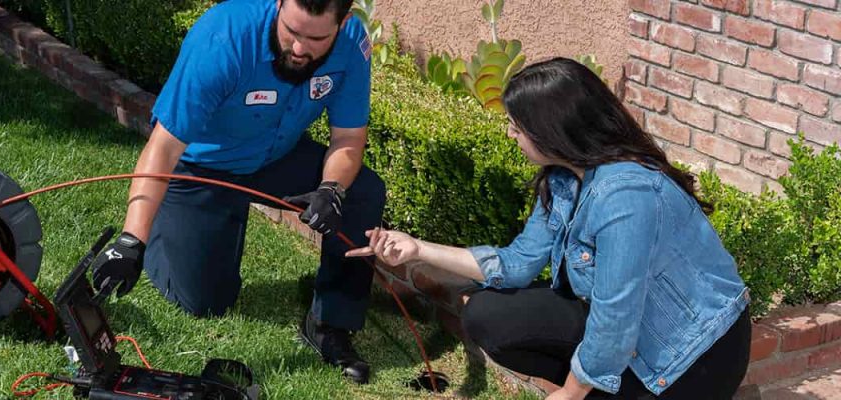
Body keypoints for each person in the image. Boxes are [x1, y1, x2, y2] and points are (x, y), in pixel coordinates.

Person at [346, 58, 751, 399]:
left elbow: (616, 319)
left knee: (594, 360)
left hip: (691, 356)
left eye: (517, 127)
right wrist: (416, 248)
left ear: (553, 130)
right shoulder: (565, 177)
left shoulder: (625, 197)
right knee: (489, 315)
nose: (510, 134)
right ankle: (602, 384)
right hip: (631, 334)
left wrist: (570, 393)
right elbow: (518, 262)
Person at [89, 0, 384, 384]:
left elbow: (348, 138)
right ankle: (166, 231)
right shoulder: (223, 37)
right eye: (291, 32)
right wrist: (131, 240)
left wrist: (331, 189)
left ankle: (329, 323)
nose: (298, 48)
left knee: (362, 190)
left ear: (343, 22)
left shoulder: (352, 42)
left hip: (277, 153)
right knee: (205, 302)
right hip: (203, 166)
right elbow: (163, 146)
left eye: (315, 38)